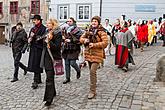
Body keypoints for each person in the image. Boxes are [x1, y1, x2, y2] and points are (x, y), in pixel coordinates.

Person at [80, 16, 108, 99]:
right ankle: (94, 82)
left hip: (97, 54)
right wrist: (84, 40)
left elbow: (105, 43)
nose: (94, 23)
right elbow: (81, 38)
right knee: (91, 72)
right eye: (93, 21)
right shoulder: (88, 30)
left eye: (95, 21)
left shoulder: (101, 32)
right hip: (88, 54)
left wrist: (94, 45)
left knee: (92, 71)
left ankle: (92, 91)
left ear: (98, 23)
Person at [40, 19, 62, 106]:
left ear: (53, 25)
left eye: (49, 23)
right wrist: (45, 39)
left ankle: (49, 99)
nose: (47, 25)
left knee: (49, 78)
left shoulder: (58, 34)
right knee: (50, 76)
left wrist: (50, 41)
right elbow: (43, 44)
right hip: (46, 57)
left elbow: (56, 47)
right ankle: (53, 92)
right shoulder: (47, 32)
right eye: (47, 23)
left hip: (53, 58)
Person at [62, 17, 83, 84]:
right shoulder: (65, 29)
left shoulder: (77, 30)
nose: (68, 22)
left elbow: (79, 40)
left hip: (74, 48)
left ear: (73, 22)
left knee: (72, 63)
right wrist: (63, 39)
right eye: (67, 21)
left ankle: (78, 70)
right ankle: (67, 78)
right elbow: (62, 38)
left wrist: (70, 40)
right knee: (66, 63)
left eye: (70, 21)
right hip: (66, 48)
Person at [28, 15, 46, 89]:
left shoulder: (43, 28)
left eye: (34, 20)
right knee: (35, 64)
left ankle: (35, 81)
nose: (33, 21)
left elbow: (42, 38)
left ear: (39, 20)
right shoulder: (33, 28)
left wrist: (34, 36)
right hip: (33, 48)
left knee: (37, 64)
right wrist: (29, 39)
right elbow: (30, 36)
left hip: (39, 49)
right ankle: (38, 79)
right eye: (33, 20)